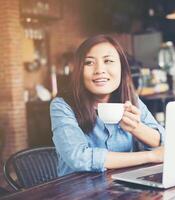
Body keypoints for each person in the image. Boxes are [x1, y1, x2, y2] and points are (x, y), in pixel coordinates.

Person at [50, 35, 165, 176]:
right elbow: (78, 157)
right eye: (89, 63)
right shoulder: (62, 106)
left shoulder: (130, 100)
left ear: (122, 68)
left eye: (108, 61)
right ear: (79, 71)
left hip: (123, 186)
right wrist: (149, 157)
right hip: (76, 191)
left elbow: (162, 142)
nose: (100, 70)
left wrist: (136, 127)